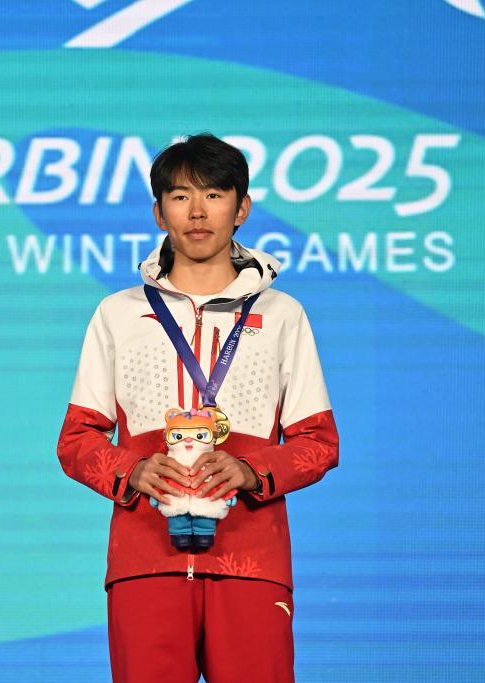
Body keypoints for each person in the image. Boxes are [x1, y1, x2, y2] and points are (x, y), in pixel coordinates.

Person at [57, 134, 339, 683]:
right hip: (145, 560)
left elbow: (319, 443)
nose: (197, 212)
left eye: (213, 194)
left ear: (242, 207)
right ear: (159, 212)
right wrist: (132, 470)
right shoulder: (118, 313)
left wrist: (251, 470)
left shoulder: (283, 315)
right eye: (181, 196)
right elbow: (76, 440)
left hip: (252, 561)